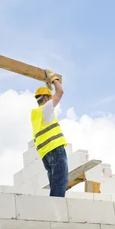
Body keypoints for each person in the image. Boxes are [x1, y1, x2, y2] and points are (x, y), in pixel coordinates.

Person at [31, 69, 68, 197]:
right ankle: (55, 212)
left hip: (46, 154)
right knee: (60, 181)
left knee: (54, 182)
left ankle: (53, 209)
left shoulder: (36, 114)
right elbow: (60, 92)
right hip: (55, 150)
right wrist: (53, 78)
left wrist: (48, 86)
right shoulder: (46, 109)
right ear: (46, 98)